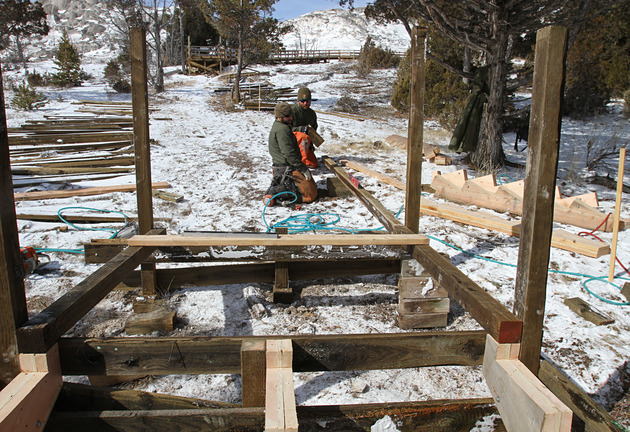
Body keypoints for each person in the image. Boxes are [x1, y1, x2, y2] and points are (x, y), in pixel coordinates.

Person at [264, 102, 317, 206]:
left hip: (288, 165)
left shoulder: (282, 126)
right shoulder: (282, 130)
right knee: (310, 195)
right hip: (285, 168)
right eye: (287, 116)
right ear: (279, 117)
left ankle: (287, 189)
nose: (290, 118)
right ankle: (273, 193)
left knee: (313, 187)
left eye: (291, 115)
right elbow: (289, 154)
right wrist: (302, 169)